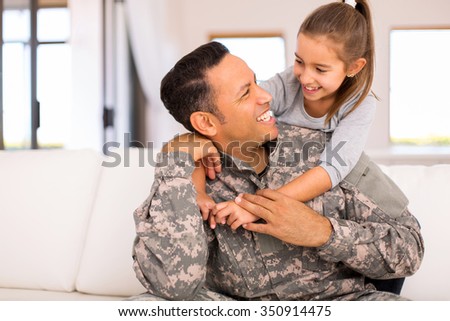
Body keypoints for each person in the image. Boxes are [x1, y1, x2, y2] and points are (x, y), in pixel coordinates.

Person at [130, 41, 424, 301]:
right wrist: (176, 162)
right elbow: (173, 286)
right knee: (144, 308)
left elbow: (409, 249)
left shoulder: (328, 151)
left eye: (256, 82)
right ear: (205, 123)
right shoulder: (184, 175)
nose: (266, 96)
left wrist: (322, 232)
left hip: (338, 305)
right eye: (246, 93)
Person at [196, 0, 378, 230]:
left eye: (320, 69)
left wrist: (255, 208)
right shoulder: (289, 81)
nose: (304, 77)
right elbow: (242, 110)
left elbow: (332, 168)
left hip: (307, 202)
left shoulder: (361, 104)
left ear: (354, 67)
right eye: (299, 61)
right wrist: (199, 185)